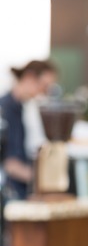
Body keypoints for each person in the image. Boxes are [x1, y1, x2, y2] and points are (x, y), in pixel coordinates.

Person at [0, 60, 57, 200]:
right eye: (44, 86)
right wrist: (41, 180)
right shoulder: (6, 109)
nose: (44, 92)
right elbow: (10, 164)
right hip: (10, 192)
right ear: (29, 77)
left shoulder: (21, 107)